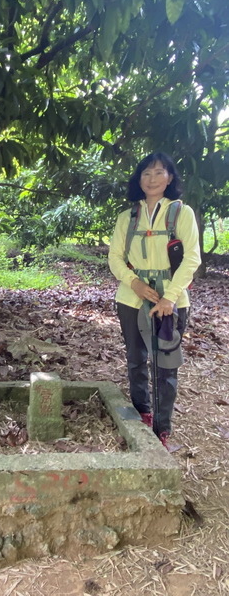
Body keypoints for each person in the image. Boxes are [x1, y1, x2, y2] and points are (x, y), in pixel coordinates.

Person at [108, 152, 201, 448]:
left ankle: (163, 426)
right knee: (136, 359)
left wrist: (169, 298)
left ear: (170, 178)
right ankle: (141, 412)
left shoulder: (180, 213)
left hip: (170, 300)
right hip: (131, 298)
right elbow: (115, 257)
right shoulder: (128, 217)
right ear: (139, 179)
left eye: (159, 172)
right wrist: (133, 282)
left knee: (166, 364)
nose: (152, 179)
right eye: (146, 173)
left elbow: (192, 258)